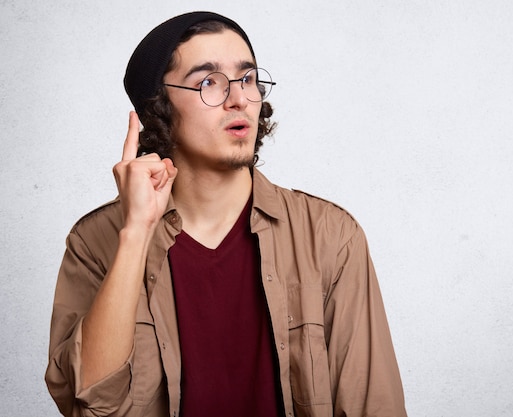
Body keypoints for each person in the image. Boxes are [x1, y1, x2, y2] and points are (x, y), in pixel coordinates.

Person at [45, 11, 407, 417]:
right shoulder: (94, 241)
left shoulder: (330, 236)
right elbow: (88, 403)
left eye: (248, 78)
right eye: (208, 82)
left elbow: (373, 406)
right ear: (158, 109)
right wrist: (134, 234)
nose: (239, 99)